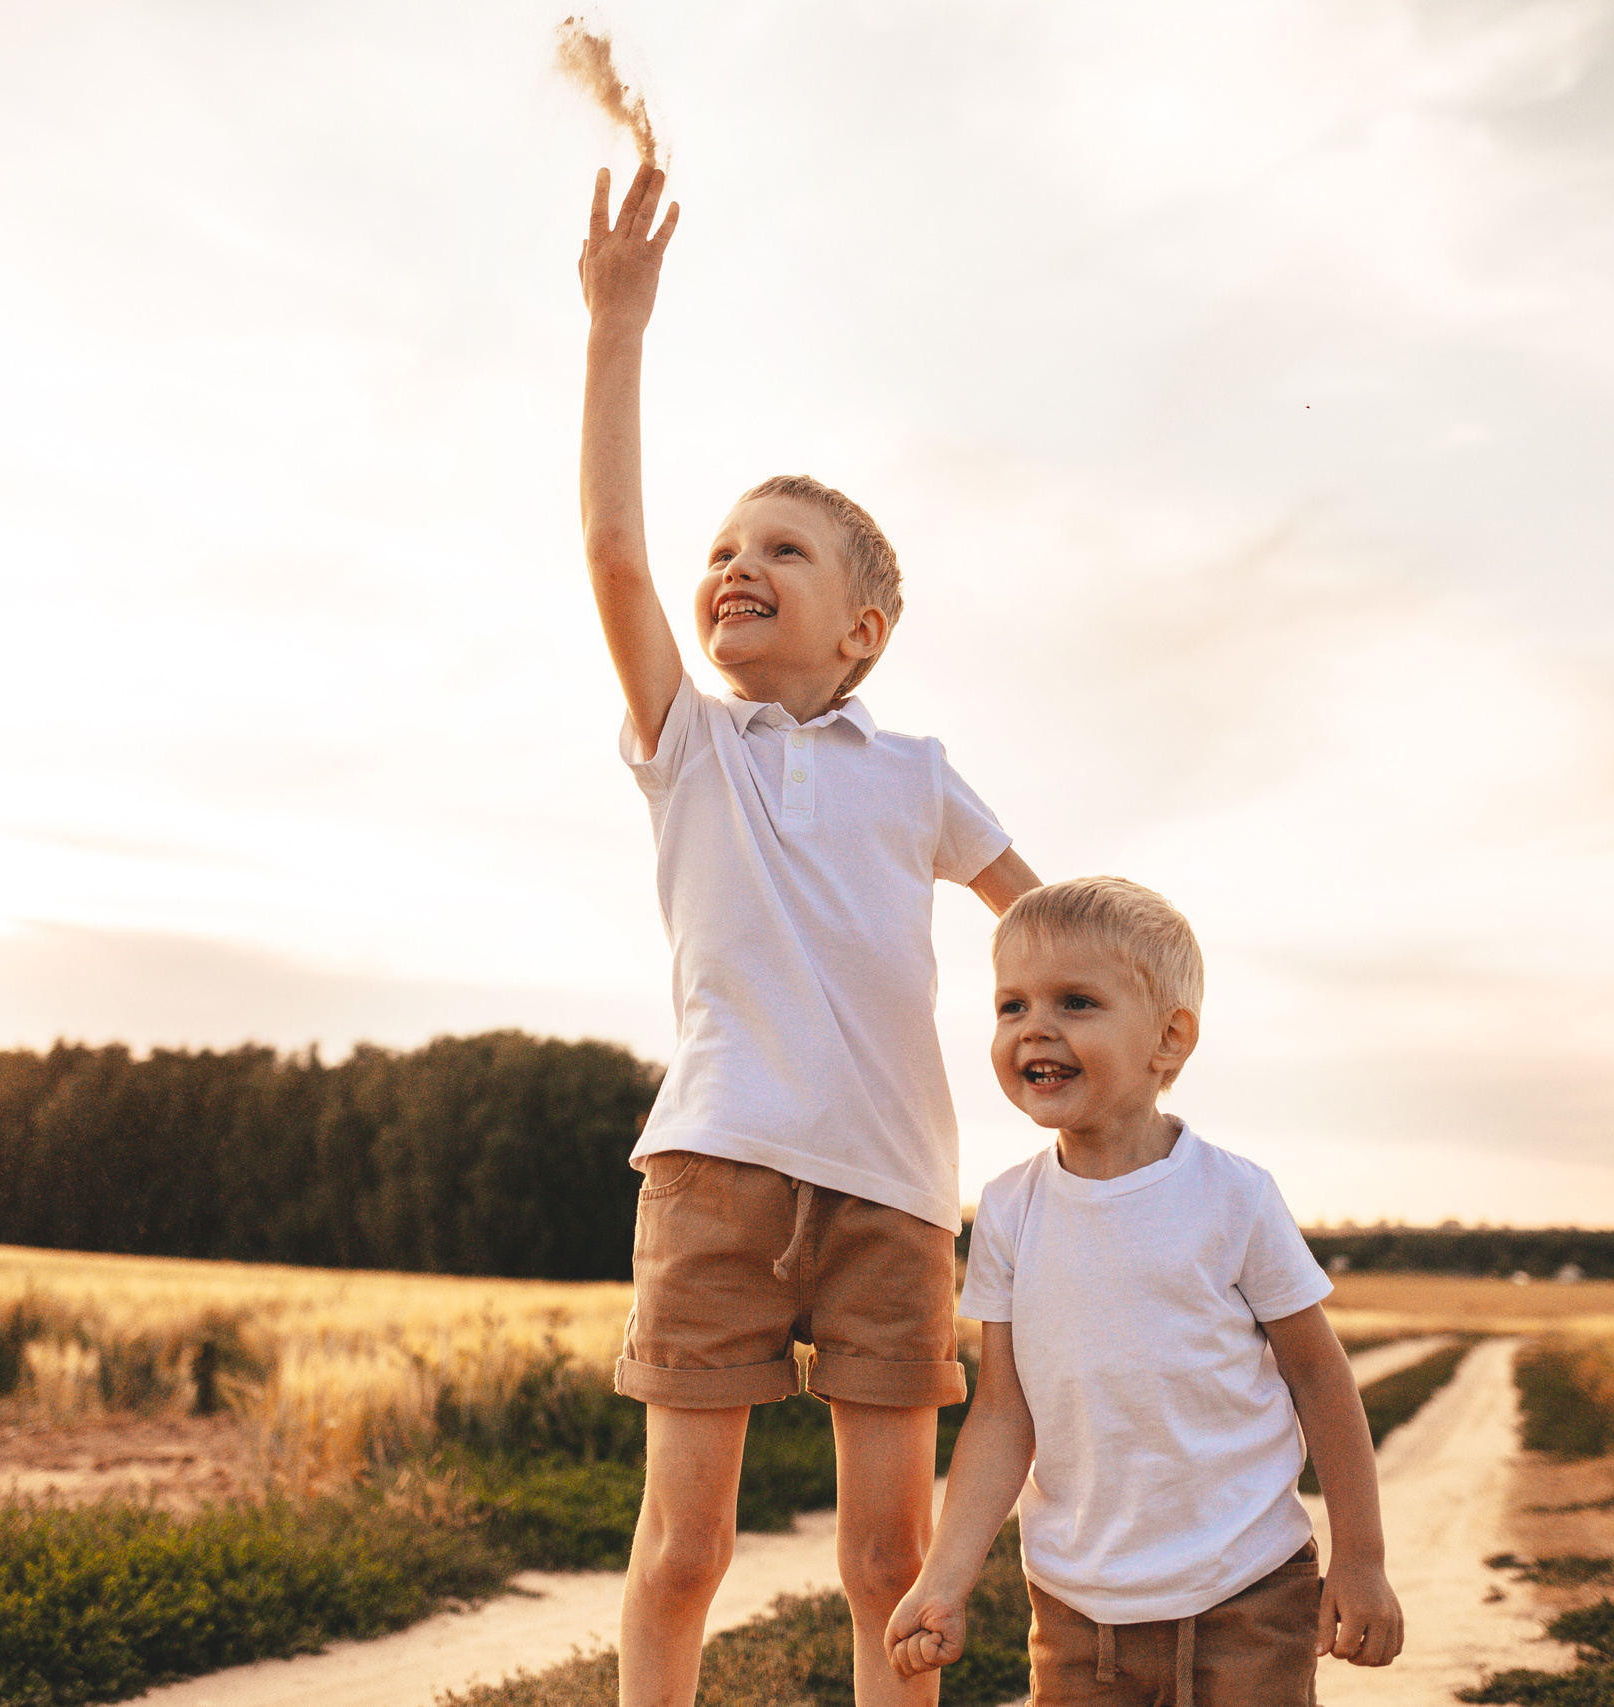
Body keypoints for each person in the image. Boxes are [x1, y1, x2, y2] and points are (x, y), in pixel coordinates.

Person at [576, 162, 1043, 1707]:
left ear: (863, 631)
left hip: (898, 1195)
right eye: (729, 546)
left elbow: (1042, 924)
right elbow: (618, 557)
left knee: (885, 1557)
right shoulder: (686, 744)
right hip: (715, 1170)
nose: (735, 565)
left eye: (782, 549)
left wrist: (1084, 1047)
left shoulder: (915, 777)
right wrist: (617, 327)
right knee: (685, 1549)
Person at [885, 877, 1403, 1707]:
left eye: (1076, 1001)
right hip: (1078, 1609)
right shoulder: (1011, 1211)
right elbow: (1002, 1413)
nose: (1035, 1028)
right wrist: (943, 1576)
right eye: (1011, 1005)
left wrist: (1363, 1558)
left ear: (1170, 1037)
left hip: (1249, 1589)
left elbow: (1319, 1376)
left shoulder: (1235, 1197)